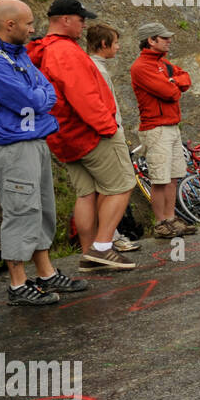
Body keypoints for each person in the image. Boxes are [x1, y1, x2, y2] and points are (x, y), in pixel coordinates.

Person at [0, 0, 86, 305]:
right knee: (20, 211)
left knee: (42, 210)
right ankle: (17, 284)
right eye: (27, 24)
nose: (32, 29)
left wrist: (38, 96)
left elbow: (47, 91)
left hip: (35, 140)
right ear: (9, 24)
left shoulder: (16, 52)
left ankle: (46, 272)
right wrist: (38, 97)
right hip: (11, 145)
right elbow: (34, 100)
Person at [26, 0, 138, 271]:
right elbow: (83, 94)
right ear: (65, 20)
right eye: (80, 19)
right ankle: (102, 248)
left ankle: (89, 253)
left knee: (86, 194)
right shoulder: (65, 51)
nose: (84, 24)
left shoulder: (41, 50)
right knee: (122, 185)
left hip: (62, 136)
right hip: (89, 133)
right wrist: (107, 127)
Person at [129, 21, 196, 240]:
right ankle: (160, 223)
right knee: (160, 178)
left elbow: (186, 78)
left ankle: (170, 218)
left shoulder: (162, 63)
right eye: (164, 38)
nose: (169, 41)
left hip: (171, 126)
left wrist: (172, 80)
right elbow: (170, 93)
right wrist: (173, 83)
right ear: (151, 40)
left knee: (173, 176)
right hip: (155, 128)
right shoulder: (141, 67)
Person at [86, 23, 141, 252]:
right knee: (117, 187)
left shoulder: (93, 66)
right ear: (103, 44)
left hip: (102, 132)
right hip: (107, 133)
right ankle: (107, 240)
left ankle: (102, 241)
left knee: (99, 190)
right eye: (115, 43)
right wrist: (114, 129)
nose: (118, 48)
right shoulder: (96, 68)